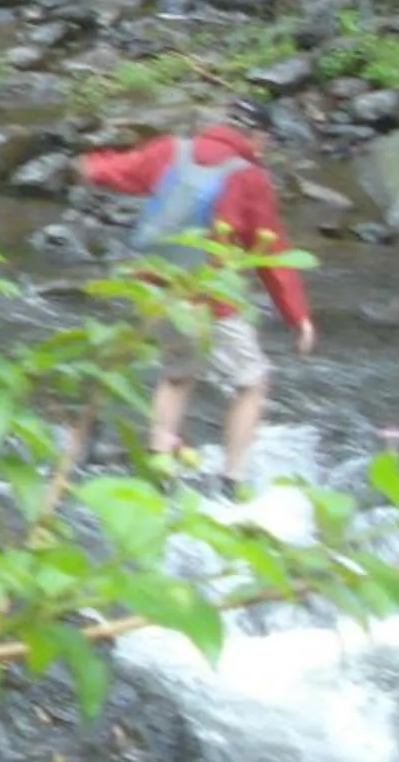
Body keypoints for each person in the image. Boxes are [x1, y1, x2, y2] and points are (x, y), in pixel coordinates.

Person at [79, 118, 317, 487]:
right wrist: (297, 316)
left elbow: (116, 170)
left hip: (157, 289)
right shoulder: (248, 177)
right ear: (256, 136)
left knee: (176, 375)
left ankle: (160, 465)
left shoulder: (172, 150)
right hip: (209, 297)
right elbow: (271, 253)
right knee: (252, 382)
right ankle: (232, 478)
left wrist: (89, 165)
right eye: (265, 140)